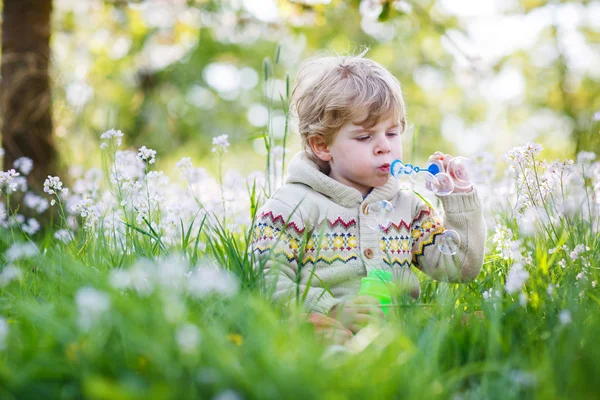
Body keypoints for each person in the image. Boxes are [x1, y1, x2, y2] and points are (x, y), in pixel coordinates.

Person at [251, 52, 486, 338]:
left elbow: (460, 267)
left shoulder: (408, 208)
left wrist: (460, 199)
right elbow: (266, 279)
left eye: (392, 133)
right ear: (322, 145)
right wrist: (330, 309)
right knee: (317, 335)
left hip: (401, 334)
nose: (384, 147)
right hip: (330, 328)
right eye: (365, 137)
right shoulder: (290, 207)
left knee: (478, 322)